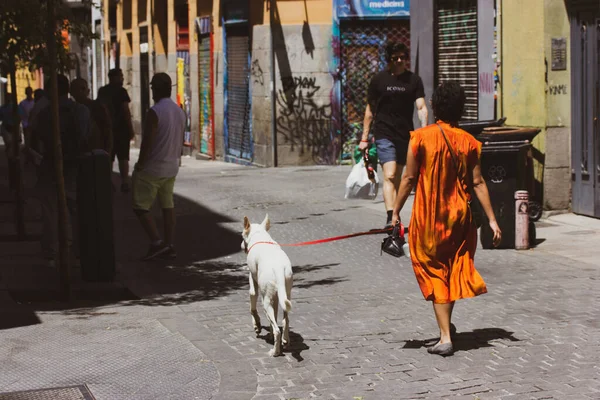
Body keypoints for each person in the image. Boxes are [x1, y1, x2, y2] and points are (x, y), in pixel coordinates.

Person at [391, 81, 502, 357]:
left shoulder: (420, 138)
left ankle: (444, 337)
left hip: (430, 218)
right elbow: (477, 183)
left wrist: (394, 211)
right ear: (461, 109)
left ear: (436, 105)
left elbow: (407, 178)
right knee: (450, 269)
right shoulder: (469, 142)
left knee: (433, 270)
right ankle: (445, 328)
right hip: (460, 218)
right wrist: (492, 220)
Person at [359, 42, 429, 229]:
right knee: (389, 175)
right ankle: (391, 218)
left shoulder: (414, 81)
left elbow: (421, 107)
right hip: (384, 133)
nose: (399, 61)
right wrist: (364, 138)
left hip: (405, 135)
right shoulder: (379, 81)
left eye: (402, 58)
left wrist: (425, 130)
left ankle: (395, 213)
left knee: (398, 177)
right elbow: (370, 110)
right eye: (395, 58)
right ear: (389, 59)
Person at [32, 75, 91, 265]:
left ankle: (52, 251)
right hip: (74, 164)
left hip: (51, 164)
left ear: (51, 92)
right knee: (76, 208)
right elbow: (85, 136)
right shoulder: (80, 110)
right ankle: (79, 249)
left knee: (50, 209)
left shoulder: (45, 113)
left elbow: (38, 138)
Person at [132, 73, 185, 261]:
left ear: (156, 89)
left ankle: (157, 242)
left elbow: (147, 142)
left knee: (139, 206)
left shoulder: (155, 111)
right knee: (167, 205)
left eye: (152, 87)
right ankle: (169, 244)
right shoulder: (179, 111)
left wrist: (140, 165)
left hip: (153, 168)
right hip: (171, 167)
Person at [97, 68, 134, 192]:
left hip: (107, 129)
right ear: (114, 77)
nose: (123, 78)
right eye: (121, 76)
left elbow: (101, 108)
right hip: (121, 129)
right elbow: (125, 110)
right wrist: (130, 127)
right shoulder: (121, 92)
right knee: (123, 157)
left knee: (109, 156)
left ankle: (109, 182)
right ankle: (124, 182)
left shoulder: (102, 91)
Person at [70, 78, 113, 154]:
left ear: (88, 91)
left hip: (96, 150)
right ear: (71, 92)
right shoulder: (70, 109)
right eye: (76, 89)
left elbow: (107, 129)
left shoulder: (97, 107)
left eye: (83, 89)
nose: (80, 91)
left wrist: (107, 151)